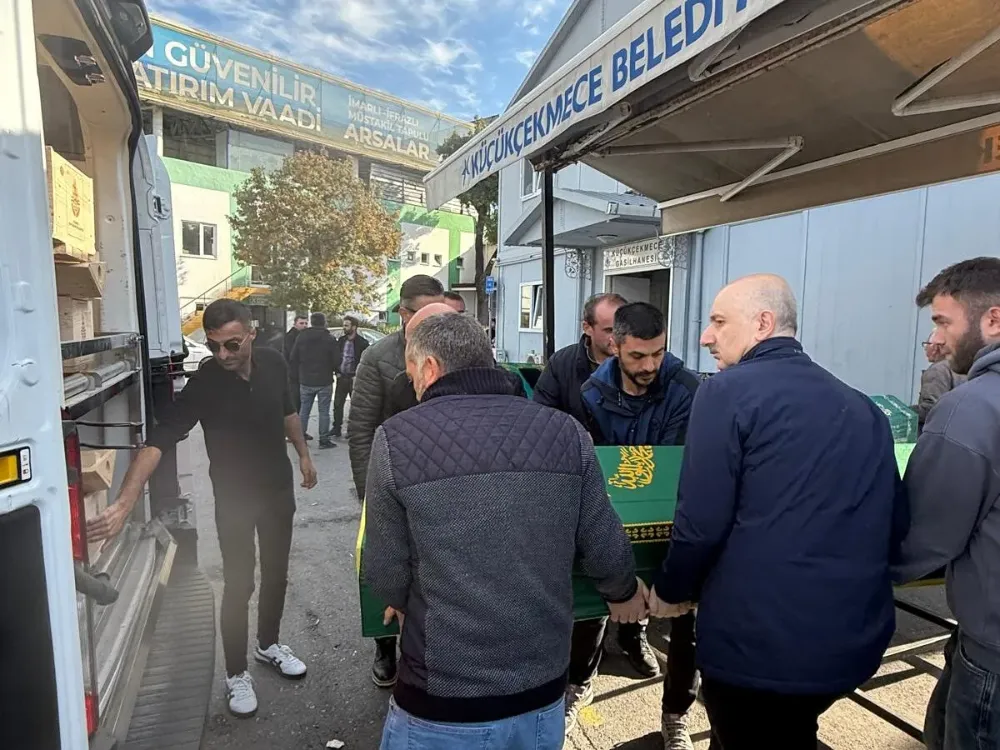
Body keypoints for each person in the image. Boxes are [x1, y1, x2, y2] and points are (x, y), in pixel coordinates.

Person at [362, 313, 647, 750]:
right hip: (541, 690)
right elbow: (604, 544)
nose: (413, 385)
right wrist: (624, 592)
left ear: (432, 368)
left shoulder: (395, 440)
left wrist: (400, 601)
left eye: (412, 373)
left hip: (442, 696)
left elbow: (383, 568)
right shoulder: (567, 433)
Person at [649, 274, 903, 750]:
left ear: (763, 323)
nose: (706, 336)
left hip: (759, 648)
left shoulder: (725, 393)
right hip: (852, 642)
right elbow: (895, 522)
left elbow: (700, 522)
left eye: (719, 321)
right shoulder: (864, 408)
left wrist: (671, 590)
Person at [87, 299, 318, 719]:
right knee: (238, 583)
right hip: (233, 497)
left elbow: (288, 411)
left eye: (232, 344)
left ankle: (268, 645)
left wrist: (303, 454)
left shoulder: (274, 361)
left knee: (277, 574)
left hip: (276, 490)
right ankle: (235, 673)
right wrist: (125, 499)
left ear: (250, 333)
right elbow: (160, 439)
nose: (223, 356)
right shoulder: (206, 382)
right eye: (214, 347)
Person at [578, 302, 700, 749]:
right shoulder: (592, 391)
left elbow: (669, 465)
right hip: (614, 515)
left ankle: (677, 714)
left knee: (688, 621)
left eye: (658, 354)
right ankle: (579, 683)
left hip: (675, 516)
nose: (649, 366)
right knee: (593, 606)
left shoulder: (686, 387)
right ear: (614, 345)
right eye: (637, 357)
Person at [893, 257, 1000, 750]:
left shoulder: (971, 409)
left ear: (993, 319)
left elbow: (925, 533)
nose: (938, 337)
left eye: (942, 321)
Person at [348, 274, 445, 687]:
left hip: (439, 481)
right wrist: (368, 493)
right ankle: (385, 646)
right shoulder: (379, 357)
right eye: (421, 311)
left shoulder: (450, 347)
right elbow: (362, 427)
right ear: (403, 313)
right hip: (390, 479)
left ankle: (432, 644)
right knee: (383, 563)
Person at [289, 312, 339, 449]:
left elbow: (293, 357)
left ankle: (300, 437)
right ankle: (324, 440)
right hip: (324, 380)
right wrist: (335, 370)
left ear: (311, 322)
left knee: (304, 410)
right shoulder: (329, 338)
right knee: (324, 412)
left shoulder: (302, 337)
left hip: (305, 379)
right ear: (324, 322)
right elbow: (336, 360)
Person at [914, 337, 966, 432]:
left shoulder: (937, 370)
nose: (925, 348)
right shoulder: (962, 368)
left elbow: (931, 408)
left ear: (935, 348)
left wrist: (905, 412)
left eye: (927, 344)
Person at [332, 316, 369, 439]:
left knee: (355, 406)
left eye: (347, 325)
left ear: (354, 327)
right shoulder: (341, 341)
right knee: (338, 404)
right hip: (341, 377)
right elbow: (336, 357)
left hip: (354, 379)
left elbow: (365, 361)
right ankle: (336, 428)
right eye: (344, 325)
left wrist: (358, 375)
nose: (344, 327)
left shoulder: (362, 343)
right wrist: (336, 371)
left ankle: (352, 430)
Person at [283, 314, 308, 416]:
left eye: (306, 323)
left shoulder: (303, 335)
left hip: (300, 373)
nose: (304, 325)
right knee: (295, 401)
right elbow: (292, 355)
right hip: (293, 374)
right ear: (295, 324)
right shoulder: (291, 336)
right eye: (301, 323)